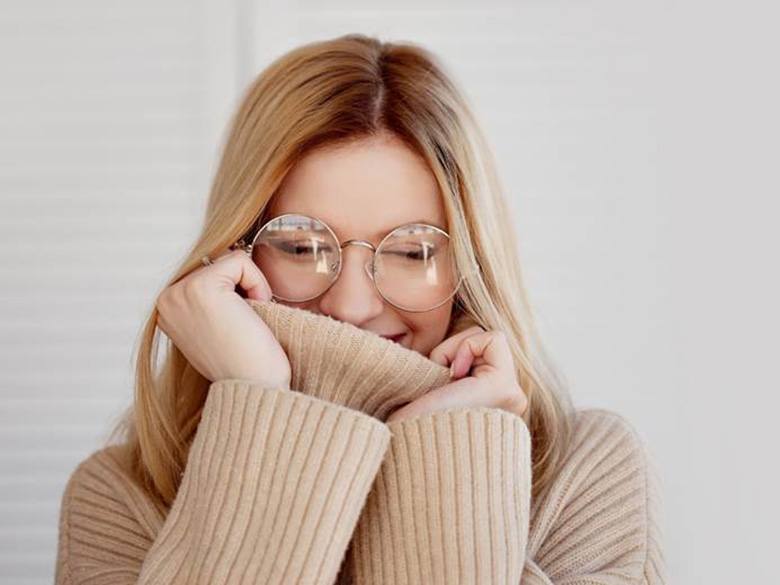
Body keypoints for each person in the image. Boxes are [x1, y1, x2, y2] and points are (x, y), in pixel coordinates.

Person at [53, 33, 666, 584]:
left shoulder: (587, 476)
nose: (351, 305)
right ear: (237, 253)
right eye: (299, 244)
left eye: (413, 250)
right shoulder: (119, 498)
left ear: (470, 267)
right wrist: (264, 403)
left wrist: (441, 449)